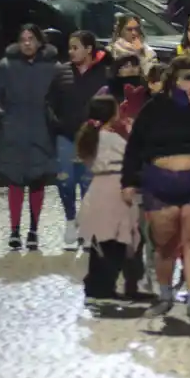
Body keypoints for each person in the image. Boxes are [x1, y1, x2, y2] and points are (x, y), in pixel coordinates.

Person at [121, 59, 190, 321]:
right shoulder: (155, 107)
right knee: (164, 246)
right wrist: (128, 181)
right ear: (174, 78)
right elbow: (134, 146)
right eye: (188, 77)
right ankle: (165, 295)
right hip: (160, 184)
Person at [0, 24, 60, 249]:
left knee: (37, 181)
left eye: (31, 38)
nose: (27, 43)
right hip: (14, 131)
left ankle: (33, 231)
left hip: (42, 131)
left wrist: (55, 120)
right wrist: (2, 116)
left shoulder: (53, 67)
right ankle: (14, 231)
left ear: (40, 41)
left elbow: (62, 97)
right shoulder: (6, 66)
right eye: (23, 39)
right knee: (15, 181)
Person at [74, 96, 148, 301]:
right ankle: (106, 286)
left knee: (101, 241)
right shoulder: (112, 139)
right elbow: (133, 157)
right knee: (116, 242)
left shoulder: (90, 136)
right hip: (116, 189)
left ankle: (96, 284)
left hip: (97, 189)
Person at [51, 31, 112, 249]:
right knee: (66, 181)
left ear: (88, 49)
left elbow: (110, 104)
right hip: (66, 137)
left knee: (89, 184)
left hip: (92, 138)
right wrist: (58, 124)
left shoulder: (103, 74)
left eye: (75, 47)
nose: (71, 52)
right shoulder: (61, 72)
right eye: (70, 48)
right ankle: (70, 221)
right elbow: (50, 103)